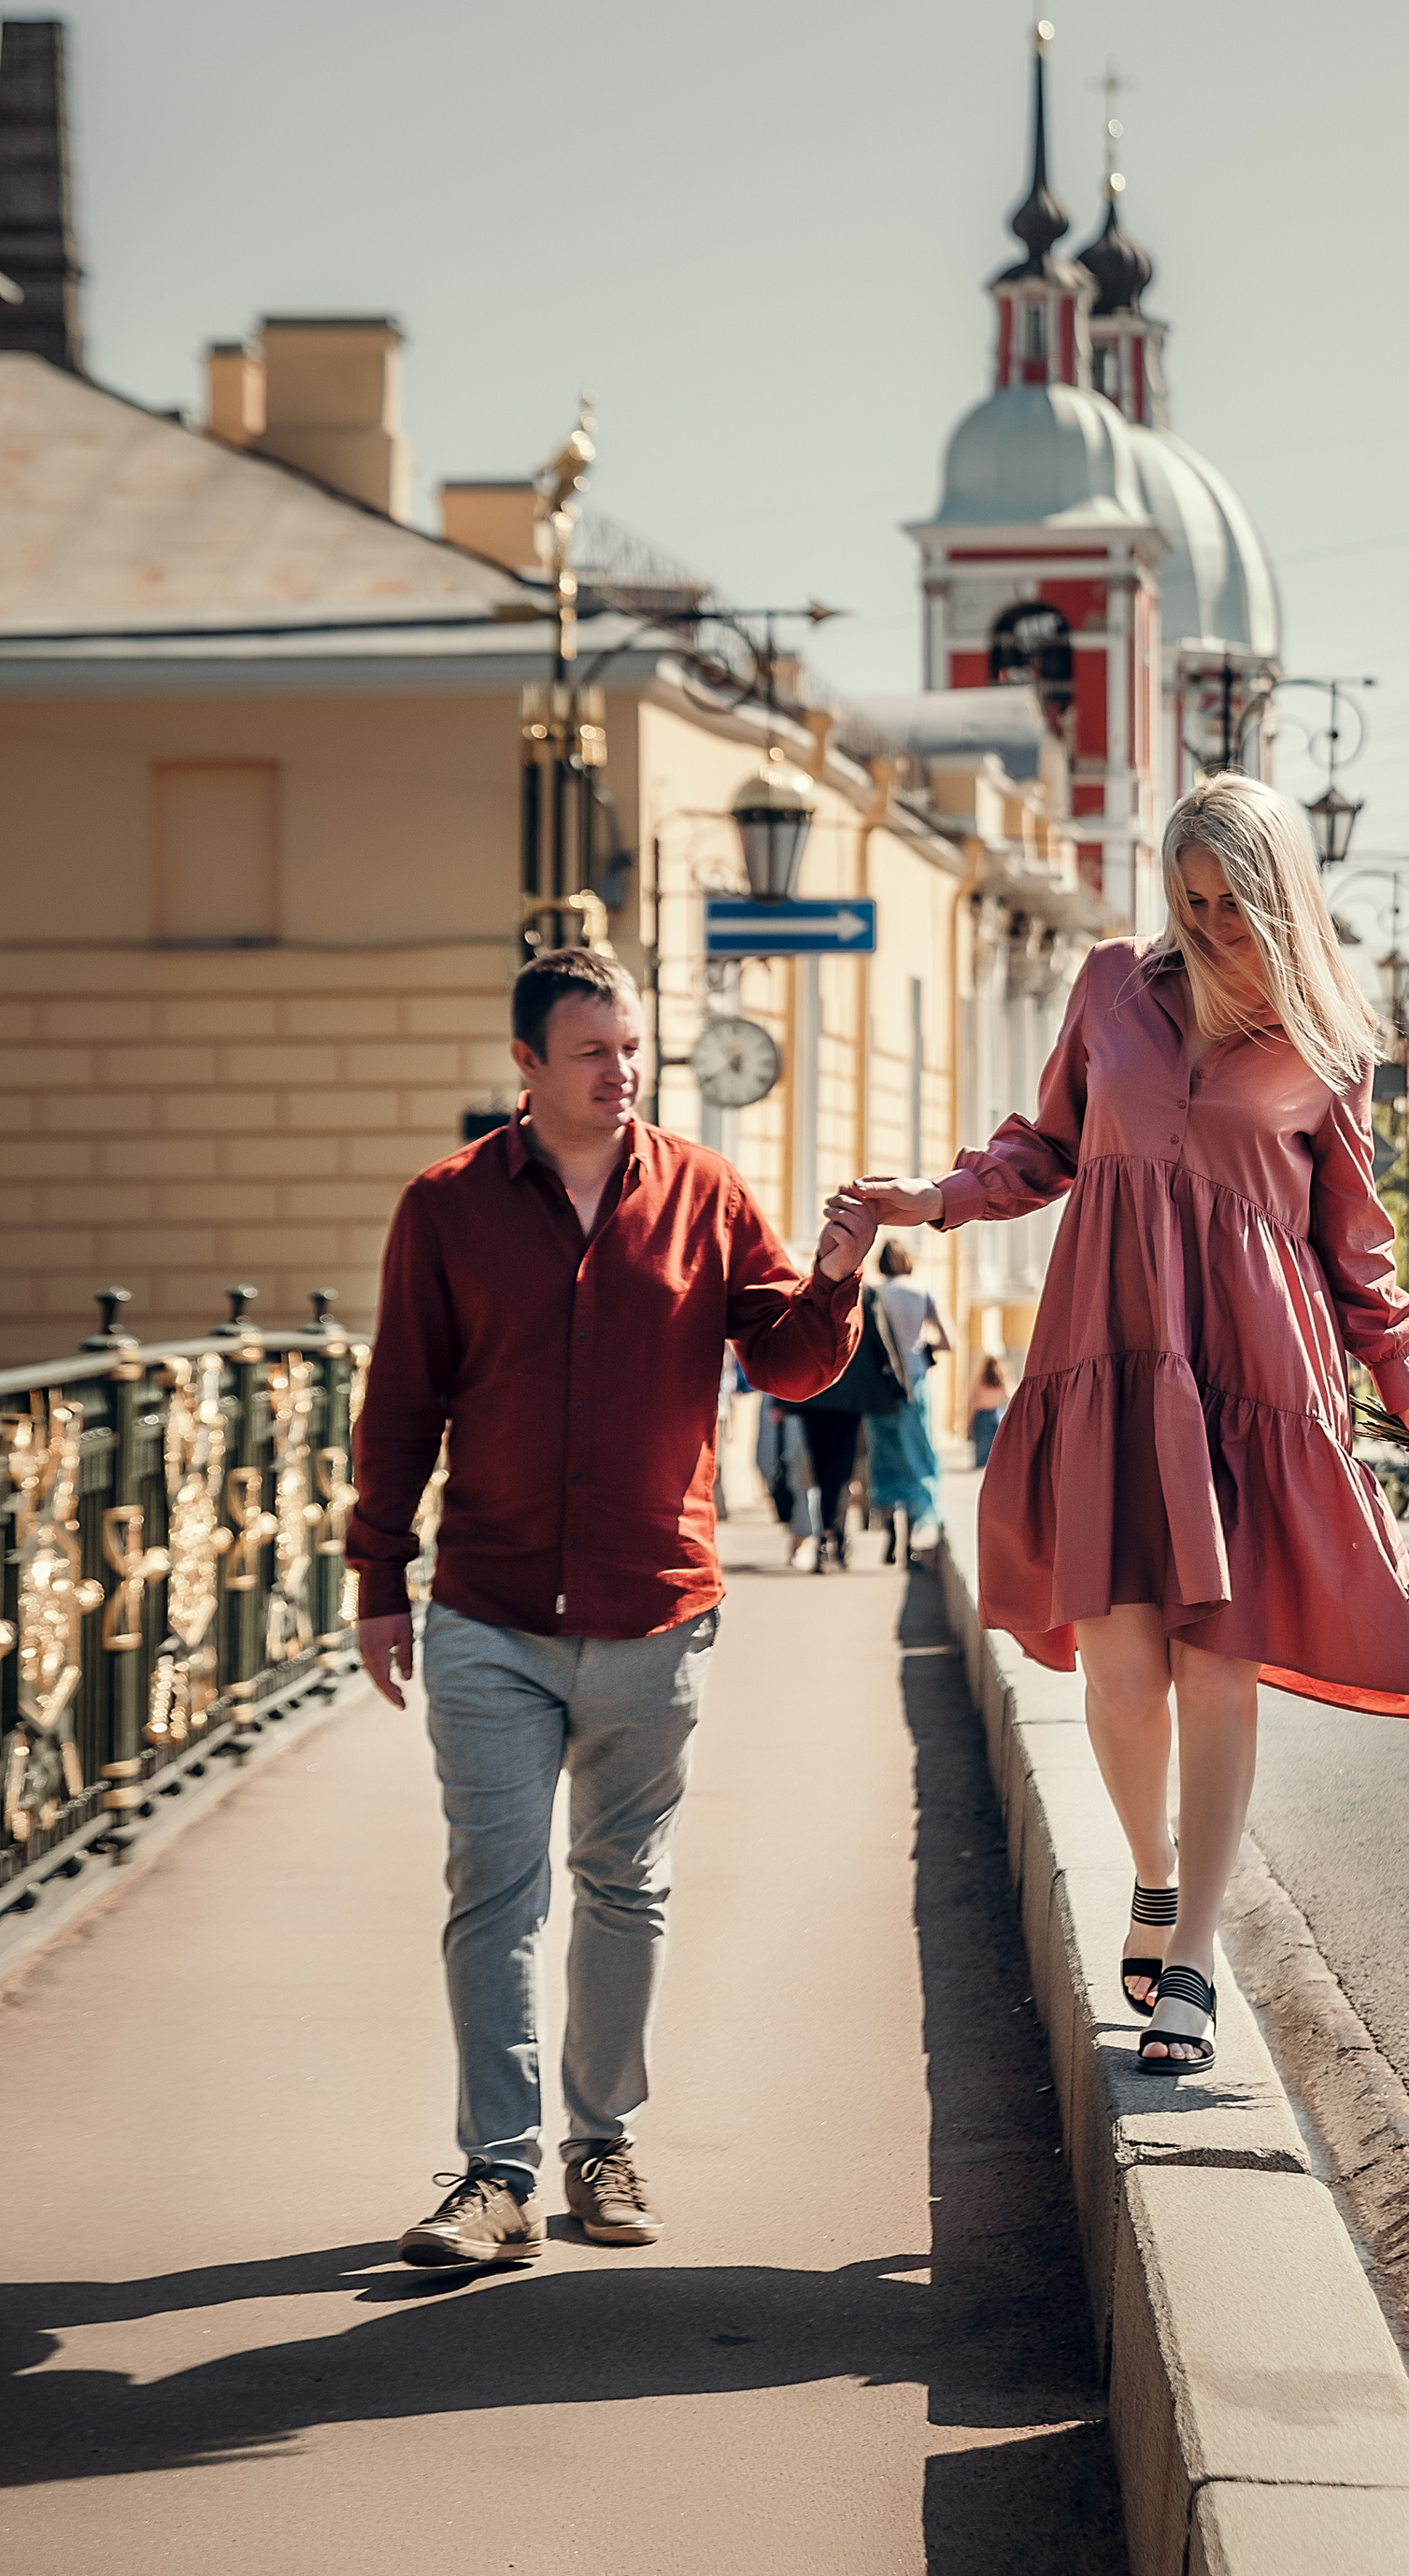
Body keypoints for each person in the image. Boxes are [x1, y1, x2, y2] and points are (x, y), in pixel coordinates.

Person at [846, 774, 1409, 2077]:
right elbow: (1045, 1145)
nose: (1209, 926)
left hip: (1252, 1380)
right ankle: (1154, 1872)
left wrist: (1408, 1396)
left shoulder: (1329, 1046)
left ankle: (1192, 1961)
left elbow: (1360, 1249)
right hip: (1113, 1356)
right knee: (1121, 1677)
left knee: (1218, 1664)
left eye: (1232, 904)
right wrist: (936, 1198)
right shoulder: (1113, 984)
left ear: (1281, 897)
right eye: (1189, 902)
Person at [347, 945, 874, 2268]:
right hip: (489, 1606)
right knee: (495, 1892)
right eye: (592, 1051)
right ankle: (494, 2176)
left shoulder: (702, 1192)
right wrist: (376, 1579)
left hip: (652, 1611)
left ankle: (603, 2145)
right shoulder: (447, 1209)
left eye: (631, 1048)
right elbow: (401, 1405)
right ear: (524, 1065)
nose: (621, 1071)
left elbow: (796, 1363)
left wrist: (839, 1274)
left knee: (625, 1889)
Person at [785, 1278, 914, 1569]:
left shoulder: (808, 1287)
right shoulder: (866, 1294)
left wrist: (782, 1396)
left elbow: (792, 1338)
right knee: (841, 1468)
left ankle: (828, 1536)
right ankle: (833, 1536)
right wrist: (899, 1384)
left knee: (822, 1466)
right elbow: (883, 1341)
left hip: (813, 1393)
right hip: (848, 1396)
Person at [864, 1240, 949, 1559]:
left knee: (883, 1457)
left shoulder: (871, 1294)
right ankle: (915, 1534)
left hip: (880, 1384)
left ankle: (888, 1528)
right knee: (919, 1454)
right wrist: (923, 1349)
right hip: (914, 1381)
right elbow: (947, 1340)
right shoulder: (922, 1291)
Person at [967, 1355, 1011, 1469]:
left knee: (981, 1450)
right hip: (996, 1415)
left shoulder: (978, 1380)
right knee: (995, 1450)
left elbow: (971, 1399)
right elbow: (1010, 1396)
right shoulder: (1000, 1380)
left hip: (981, 1415)